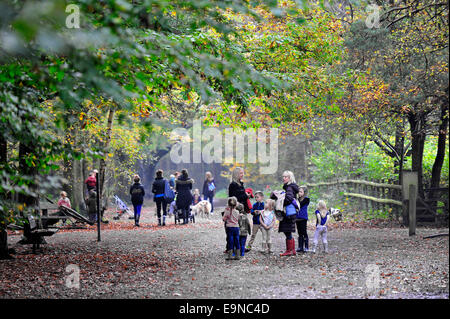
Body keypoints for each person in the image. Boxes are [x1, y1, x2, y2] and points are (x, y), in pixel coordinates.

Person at [279, 170, 300, 256]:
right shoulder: (291, 187)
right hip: (292, 213)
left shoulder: (289, 187)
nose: (284, 178)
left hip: (288, 213)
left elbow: (289, 198)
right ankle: (293, 250)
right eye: (283, 176)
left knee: (287, 231)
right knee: (288, 231)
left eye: (286, 177)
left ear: (290, 178)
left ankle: (289, 250)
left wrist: (280, 203)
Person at [296, 185, 310, 253]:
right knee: (299, 233)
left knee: (304, 232)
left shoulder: (306, 199)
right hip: (297, 218)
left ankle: (306, 247)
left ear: (304, 192)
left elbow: (300, 205)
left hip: (303, 218)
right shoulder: (297, 199)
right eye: (298, 192)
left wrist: (296, 201)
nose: (299, 193)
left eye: (301, 192)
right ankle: (300, 247)